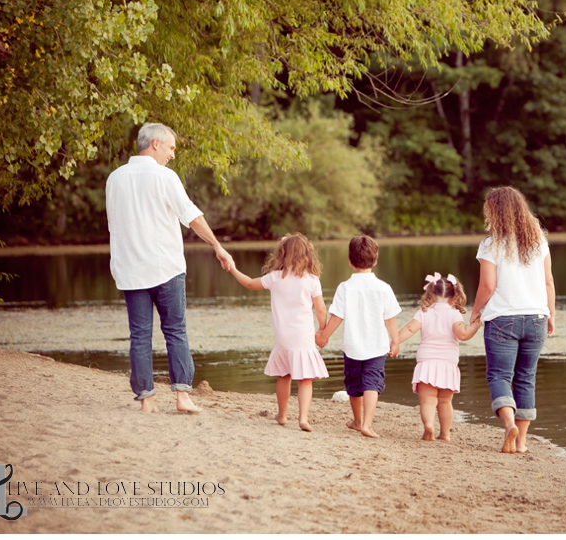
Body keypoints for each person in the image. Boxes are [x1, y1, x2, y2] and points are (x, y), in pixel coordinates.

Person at [106, 122, 234, 414]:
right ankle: (182, 397)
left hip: (130, 269)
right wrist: (217, 246)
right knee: (175, 331)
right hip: (165, 267)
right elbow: (191, 216)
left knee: (139, 334)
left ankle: (147, 400)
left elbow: (114, 226)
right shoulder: (165, 177)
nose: (172, 155)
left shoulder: (114, 178)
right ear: (155, 144)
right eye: (171, 147)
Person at [470, 186, 556, 454]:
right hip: (537, 317)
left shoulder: (490, 244)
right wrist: (551, 314)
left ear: (493, 212)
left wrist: (474, 311)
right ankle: (521, 444)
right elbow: (549, 282)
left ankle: (509, 425)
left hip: (502, 320)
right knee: (526, 377)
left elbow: (487, 286)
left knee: (499, 375)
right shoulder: (539, 241)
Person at [228, 233, 329, 432]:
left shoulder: (275, 278)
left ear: (281, 254)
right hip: (303, 336)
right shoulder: (311, 280)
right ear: (307, 255)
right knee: (305, 379)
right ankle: (303, 418)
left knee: (284, 375)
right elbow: (320, 309)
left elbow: (248, 283)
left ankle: (282, 415)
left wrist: (232, 268)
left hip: (283, 337)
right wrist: (323, 330)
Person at [315, 236, 401, 438]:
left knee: (353, 385)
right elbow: (390, 319)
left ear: (350, 261)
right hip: (376, 346)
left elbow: (337, 317)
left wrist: (323, 335)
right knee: (371, 382)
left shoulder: (345, 287)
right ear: (375, 260)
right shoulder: (383, 288)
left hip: (352, 346)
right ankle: (367, 424)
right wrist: (395, 341)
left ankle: (357, 420)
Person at [390, 272, 480, 442]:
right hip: (447, 364)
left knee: (428, 402)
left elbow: (409, 329)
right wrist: (475, 326)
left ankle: (429, 425)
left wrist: (395, 342)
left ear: (430, 296)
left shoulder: (424, 312)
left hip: (427, 364)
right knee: (445, 402)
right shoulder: (454, 314)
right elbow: (463, 334)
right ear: (454, 299)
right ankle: (445, 434)